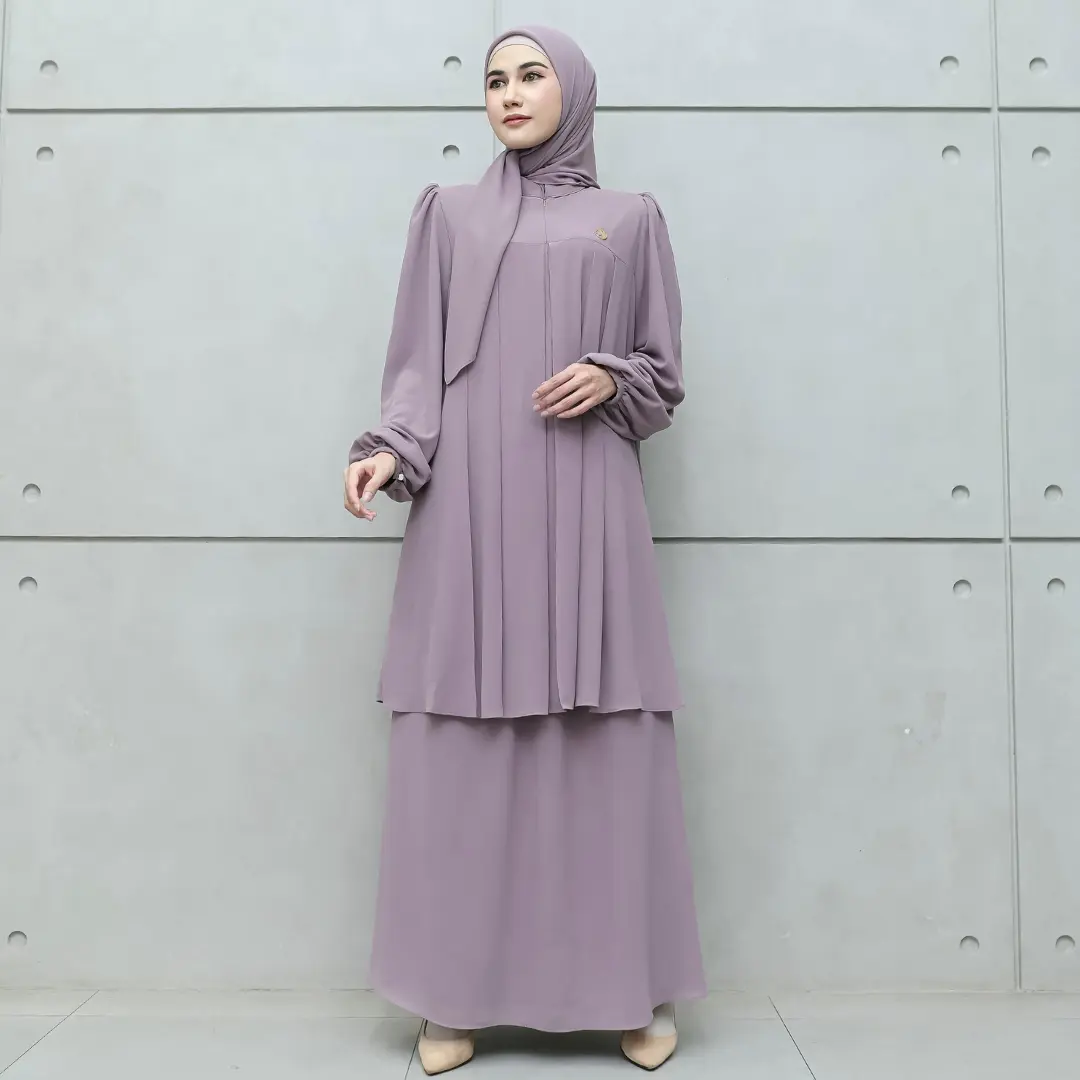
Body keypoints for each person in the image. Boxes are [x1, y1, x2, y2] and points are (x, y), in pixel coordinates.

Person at [343, 25, 706, 1074]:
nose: (509, 94)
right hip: (467, 508)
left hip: (587, 507)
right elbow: (417, 365)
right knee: (460, 749)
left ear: (574, 91)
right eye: (495, 80)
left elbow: (661, 376)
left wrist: (610, 374)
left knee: (607, 742)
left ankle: (631, 991)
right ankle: (450, 998)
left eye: (532, 75)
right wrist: (388, 449)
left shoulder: (630, 219)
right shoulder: (447, 216)